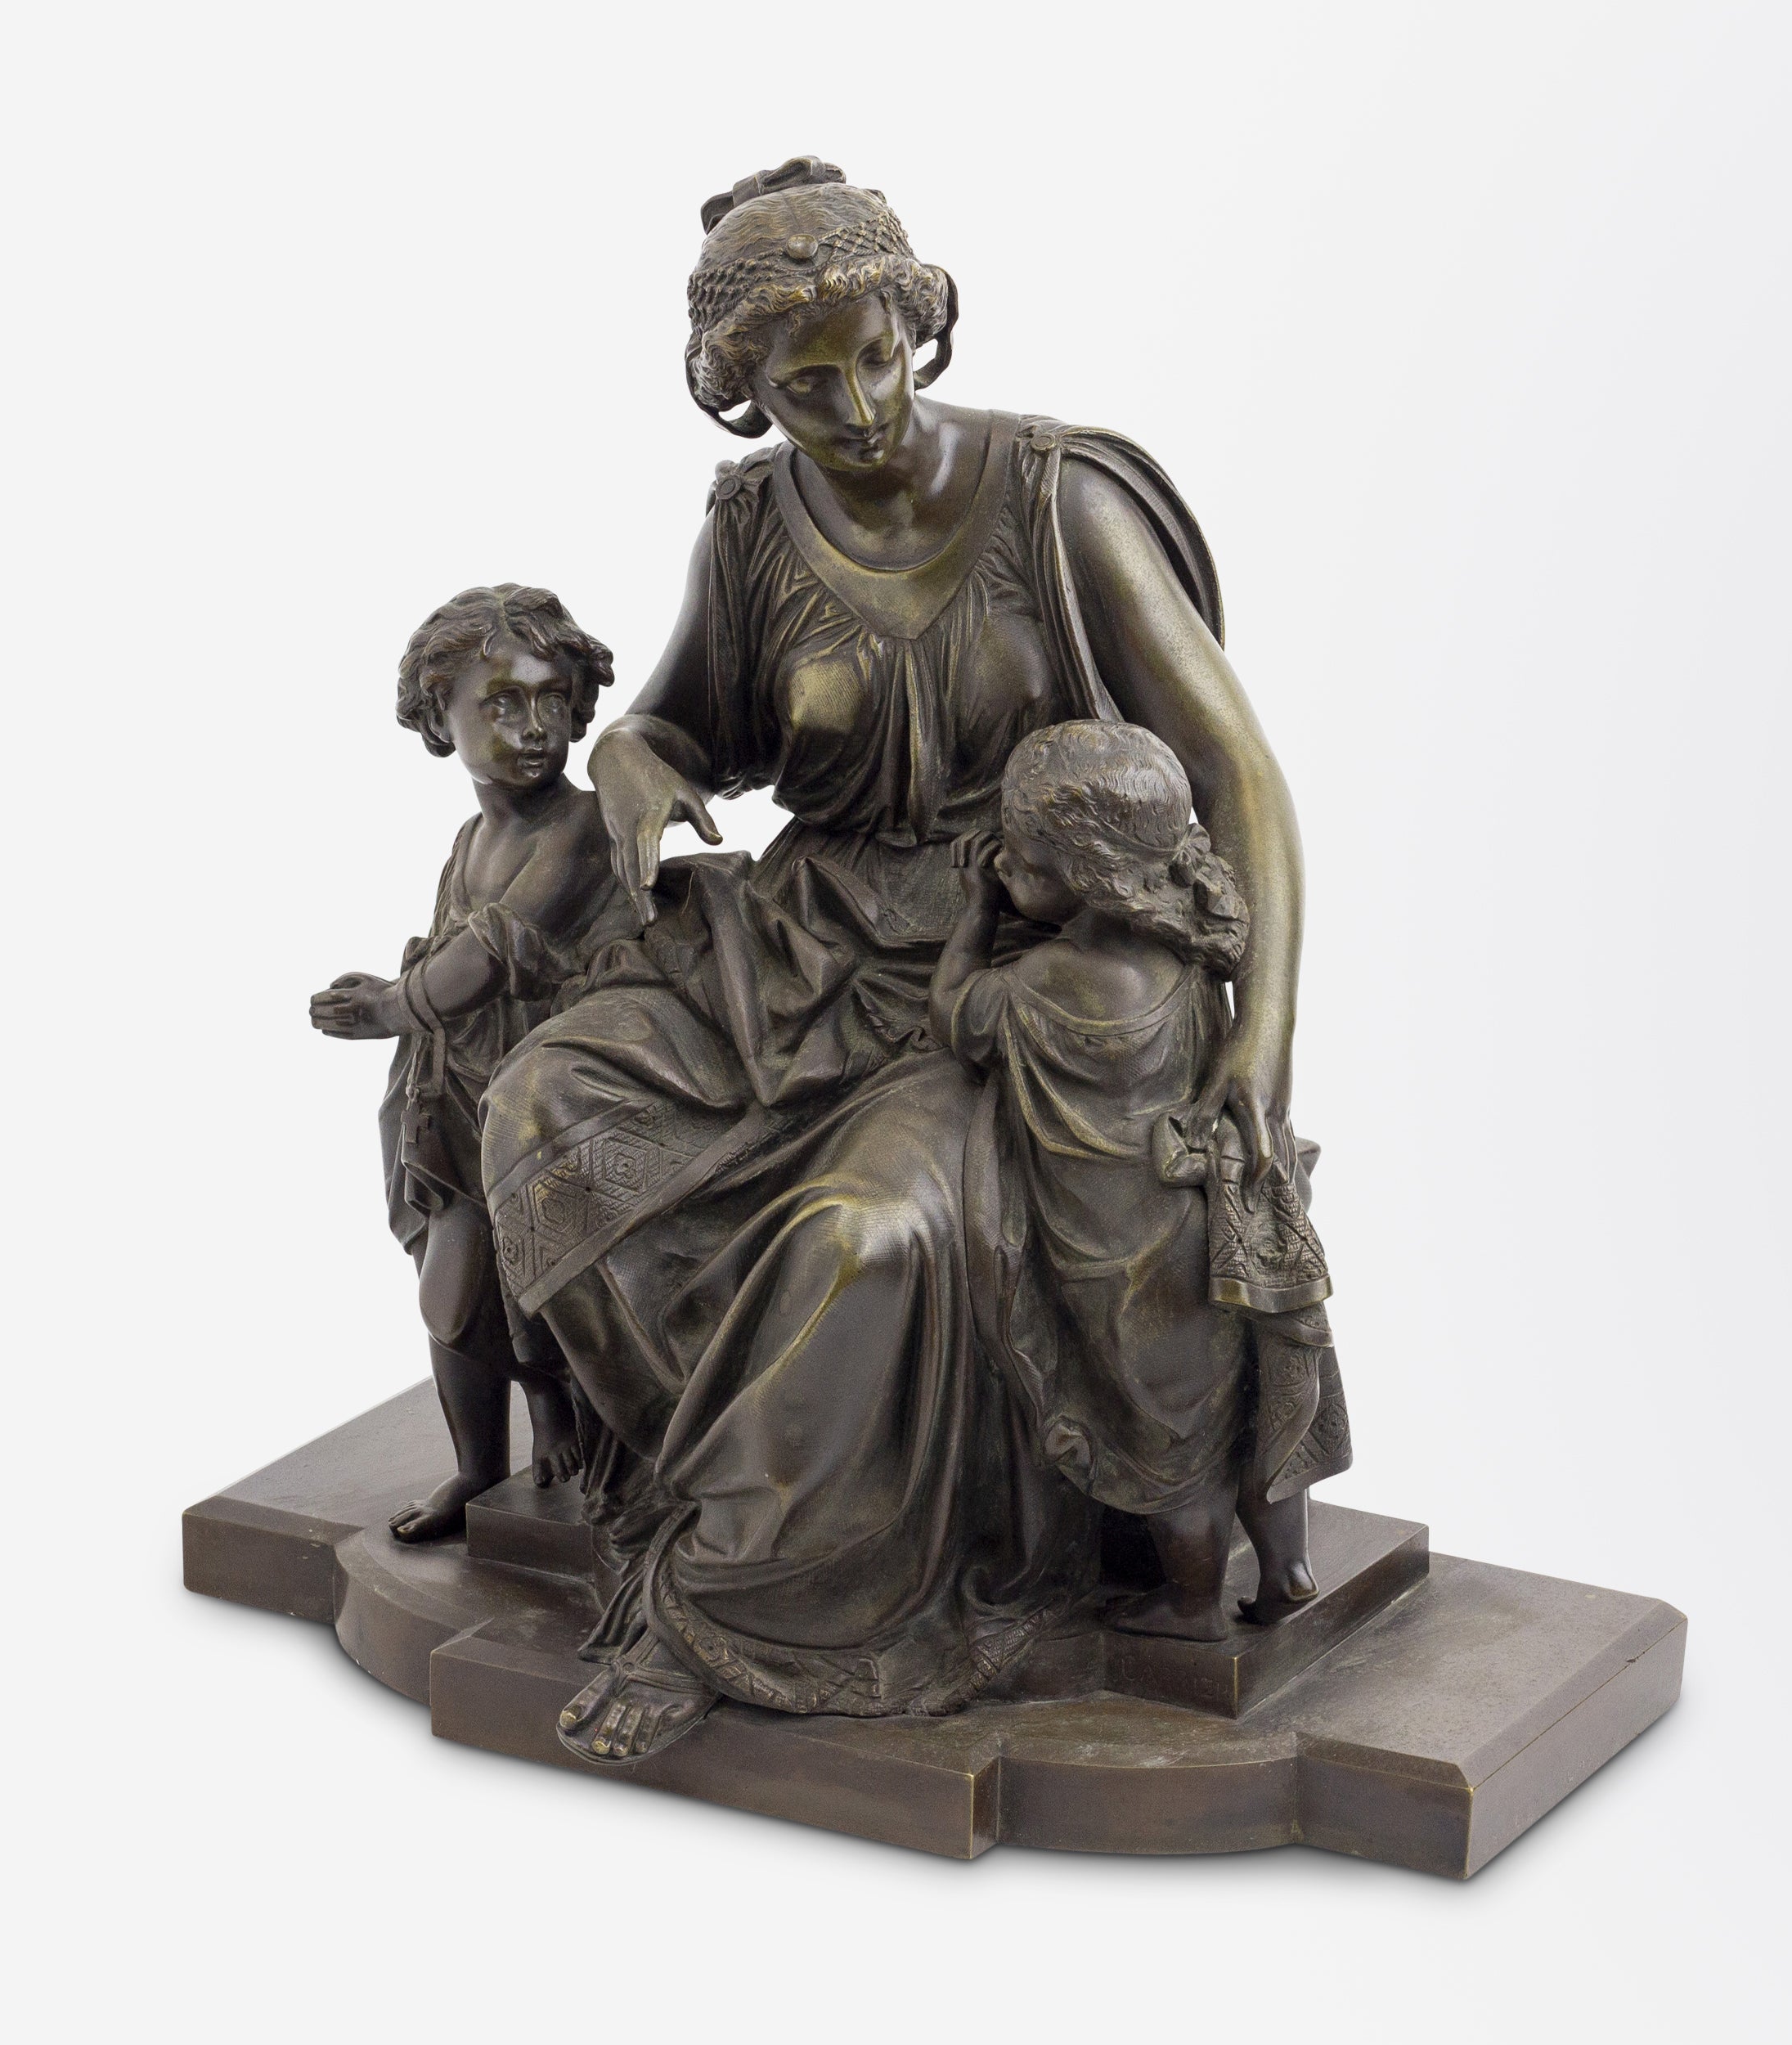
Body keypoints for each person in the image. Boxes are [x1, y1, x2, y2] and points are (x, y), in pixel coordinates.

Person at [474, 157, 1346, 1765]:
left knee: (862, 1234)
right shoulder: (752, 525)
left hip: (1001, 991)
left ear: (918, 322)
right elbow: (676, 723)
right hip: (795, 956)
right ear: (741, 393)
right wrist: (635, 764)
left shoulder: (1057, 503)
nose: (860, 407)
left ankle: (740, 1595)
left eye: (876, 357)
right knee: (543, 1110)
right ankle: (718, 1478)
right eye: (806, 387)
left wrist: (1260, 1037)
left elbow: (1239, 772)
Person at [928, 721, 1348, 1643]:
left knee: (1174, 1449)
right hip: (1218, 1228)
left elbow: (954, 1014)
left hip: (1129, 1267)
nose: (1004, 865)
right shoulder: (1191, 951)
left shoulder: (1052, 980)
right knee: (1252, 1422)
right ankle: (1288, 1571)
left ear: (1083, 875)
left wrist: (977, 910)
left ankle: (1191, 1605)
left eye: (1020, 859)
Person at [310, 585, 634, 1541]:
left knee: (552, 1285)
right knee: (453, 1292)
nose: (533, 726)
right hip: (454, 1098)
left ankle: (588, 1435)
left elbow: (492, 954)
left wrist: (389, 1006)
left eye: (551, 699)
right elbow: (456, 958)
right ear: (438, 717)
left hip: (555, 1109)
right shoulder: (471, 841)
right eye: (501, 703)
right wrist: (398, 997)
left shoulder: (586, 827)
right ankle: (478, 1466)